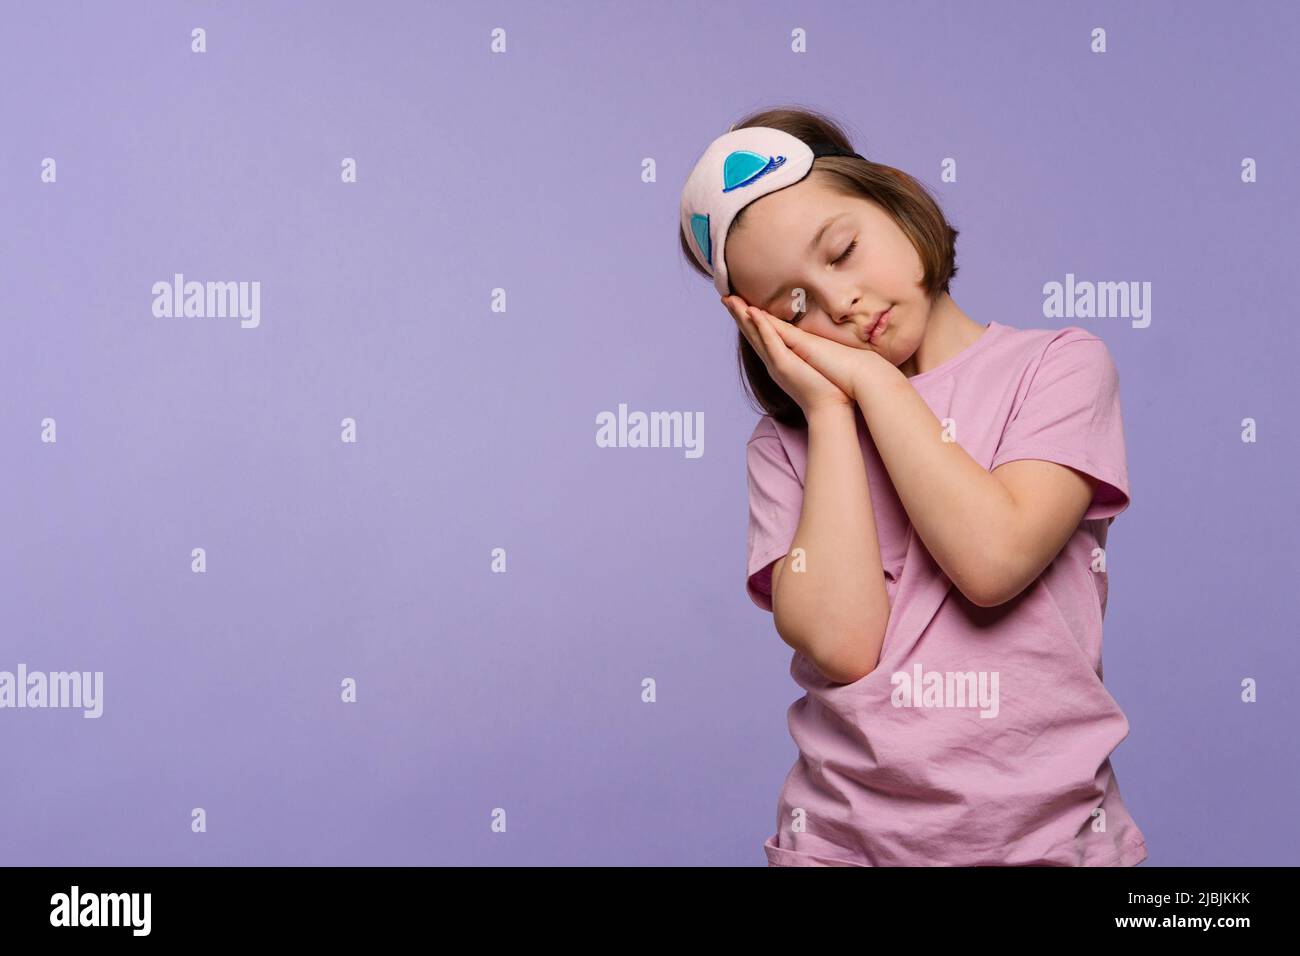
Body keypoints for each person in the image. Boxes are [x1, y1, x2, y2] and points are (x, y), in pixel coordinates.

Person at [679, 106, 1148, 866]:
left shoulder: (1057, 367)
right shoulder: (787, 447)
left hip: (1051, 844)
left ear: (896, 199)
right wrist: (832, 410)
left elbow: (993, 560)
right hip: (844, 845)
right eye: (794, 307)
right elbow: (842, 644)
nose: (839, 303)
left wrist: (870, 380)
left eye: (842, 250)